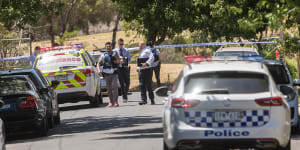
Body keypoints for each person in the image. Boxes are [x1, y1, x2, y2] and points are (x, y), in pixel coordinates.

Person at [97, 42, 120, 107]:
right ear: (105, 47)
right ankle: (111, 101)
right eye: (107, 46)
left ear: (111, 47)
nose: (108, 47)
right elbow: (98, 63)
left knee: (114, 87)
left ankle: (115, 101)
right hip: (106, 74)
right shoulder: (103, 55)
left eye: (109, 46)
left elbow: (119, 61)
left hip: (114, 73)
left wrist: (116, 61)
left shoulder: (115, 53)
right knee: (109, 89)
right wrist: (98, 70)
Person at [114, 38, 131, 103]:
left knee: (127, 82)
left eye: (122, 44)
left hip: (126, 68)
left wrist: (125, 61)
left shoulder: (126, 50)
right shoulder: (115, 51)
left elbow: (129, 59)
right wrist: (119, 60)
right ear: (118, 43)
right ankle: (124, 97)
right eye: (120, 44)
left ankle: (125, 94)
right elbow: (114, 59)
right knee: (122, 83)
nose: (121, 45)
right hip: (119, 68)